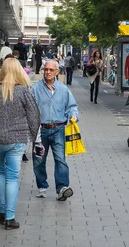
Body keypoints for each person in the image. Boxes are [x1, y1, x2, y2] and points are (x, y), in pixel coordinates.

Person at [0, 58, 40, 230]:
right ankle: (10, 218)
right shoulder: (24, 91)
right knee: (12, 177)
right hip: (16, 141)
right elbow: (34, 118)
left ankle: (2, 212)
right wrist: (35, 141)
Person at [31, 60, 79, 201]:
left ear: (57, 72)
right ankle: (42, 186)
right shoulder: (35, 89)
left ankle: (62, 188)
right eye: (46, 69)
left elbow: (72, 106)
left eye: (51, 70)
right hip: (41, 130)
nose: (48, 72)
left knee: (60, 159)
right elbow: (29, 108)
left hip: (58, 129)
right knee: (39, 160)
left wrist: (74, 115)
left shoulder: (63, 90)